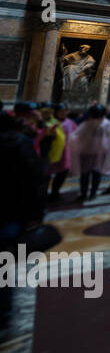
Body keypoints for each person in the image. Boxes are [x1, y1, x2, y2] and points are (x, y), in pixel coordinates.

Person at [0, 111, 45, 329]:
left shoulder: (21, 145)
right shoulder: (22, 145)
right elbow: (35, 180)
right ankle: (4, 311)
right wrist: (35, 215)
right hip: (13, 212)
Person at [69, 104, 110, 204]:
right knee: (86, 175)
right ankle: (85, 193)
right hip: (88, 152)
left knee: (94, 174)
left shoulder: (106, 124)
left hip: (96, 153)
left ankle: (91, 193)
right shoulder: (89, 123)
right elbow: (77, 134)